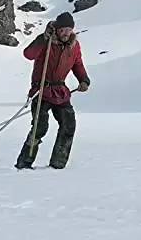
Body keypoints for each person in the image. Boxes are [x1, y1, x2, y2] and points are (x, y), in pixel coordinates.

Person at [14, 11, 90, 170]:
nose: (66, 33)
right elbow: (28, 54)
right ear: (57, 29)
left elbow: (77, 64)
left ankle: (58, 163)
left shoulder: (74, 46)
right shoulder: (46, 41)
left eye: (69, 30)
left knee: (69, 125)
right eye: (63, 30)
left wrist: (83, 80)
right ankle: (24, 163)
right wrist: (43, 38)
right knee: (39, 127)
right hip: (41, 90)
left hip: (60, 91)